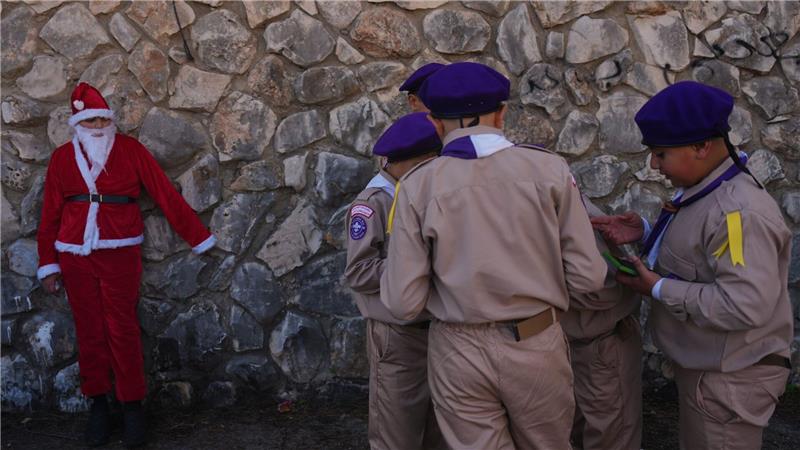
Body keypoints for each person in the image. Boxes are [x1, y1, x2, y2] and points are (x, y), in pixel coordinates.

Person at [380, 62, 607, 449]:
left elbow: (403, 301)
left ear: (435, 123)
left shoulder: (418, 185)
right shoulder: (549, 170)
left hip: (457, 347)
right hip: (536, 341)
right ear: (502, 113)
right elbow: (588, 277)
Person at [592, 81, 793, 450]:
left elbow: (742, 304)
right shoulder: (708, 186)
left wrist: (655, 287)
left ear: (701, 146)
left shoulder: (738, 212)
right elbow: (707, 255)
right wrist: (646, 231)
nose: (653, 164)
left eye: (661, 154)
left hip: (729, 381)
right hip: (713, 371)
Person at [36, 83, 216, 448]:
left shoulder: (131, 150)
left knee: (122, 329)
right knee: (89, 330)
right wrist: (48, 265)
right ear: (78, 124)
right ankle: (98, 406)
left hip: (120, 251)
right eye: (92, 119)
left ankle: (132, 407)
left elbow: (164, 193)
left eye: (104, 118)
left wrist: (198, 236)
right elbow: (50, 214)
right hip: (74, 253)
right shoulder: (61, 159)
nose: (99, 124)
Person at [345, 112, 444, 450]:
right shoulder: (373, 203)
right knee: (396, 431)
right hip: (396, 335)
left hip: (435, 329)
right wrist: (411, 267)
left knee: (439, 428)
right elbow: (358, 272)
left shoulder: (419, 193)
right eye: (428, 164)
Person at [562, 196, 642, 450]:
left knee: (607, 433)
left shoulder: (557, 195)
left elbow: (601, 288)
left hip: (597, 344)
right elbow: (599, 287)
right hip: (584, 344)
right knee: (594, 432)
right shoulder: (553, 192)